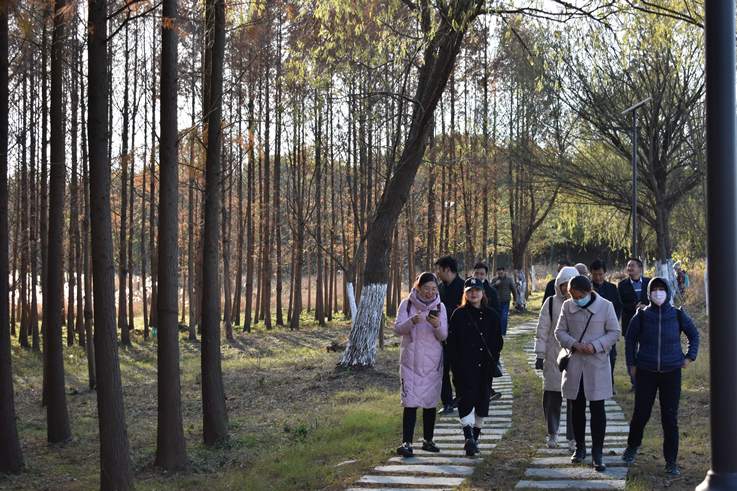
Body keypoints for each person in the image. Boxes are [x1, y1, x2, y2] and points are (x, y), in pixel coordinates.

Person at [621, 278, 699, 476]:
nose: (658, 293)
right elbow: (630, 339)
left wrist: (689, 357)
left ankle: (671, 461)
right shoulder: (642, 315)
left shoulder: (678, 314)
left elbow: (694, 335)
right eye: (654, 289)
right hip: (646, 372)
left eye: (661, 289)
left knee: (670, 418)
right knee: (641, 414)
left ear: (668, 292)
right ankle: (632, 447)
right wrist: (632, 365)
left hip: (671, 374)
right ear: (649, 293)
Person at [555, 275, 620, 472]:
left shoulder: (606, 306)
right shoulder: (567, 306)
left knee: (598, 409)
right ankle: (580, 447)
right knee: (576, 408)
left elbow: (614, 332)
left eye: (580, 296)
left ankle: (597, 453)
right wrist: (574, 344)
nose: (577, 300)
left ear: (590, 290)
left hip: (597, 364)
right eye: (573, 297)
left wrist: (596, 346)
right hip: (575, 364)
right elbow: (559, 332)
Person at [394, 272, 449, 457]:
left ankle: (428, 440)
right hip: (410, 361)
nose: (430, 292)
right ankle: (407, 443)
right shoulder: (407, 304)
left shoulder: (440, 307)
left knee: (430, 401)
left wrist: (436, 325)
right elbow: (398, 328)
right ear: (418, 287)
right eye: (426, 288)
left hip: (432, 361)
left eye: (433, 289)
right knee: (409, 402)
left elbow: (444, 335)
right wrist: (411, 321)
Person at [447, 277, 503, 456]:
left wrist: (493, 360)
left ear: (483, 292)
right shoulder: (458, 315)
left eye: (477, 290)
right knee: (464, 400)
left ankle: (475, 439)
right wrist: (456, 364)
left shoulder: (492, 316)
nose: (473, 294)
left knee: (481, 402)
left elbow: (497, 341)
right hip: (463, 367)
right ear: (465, 294)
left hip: (484, 367)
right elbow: (452, 343)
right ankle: (468, 437)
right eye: (470, 291)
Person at [534, 266, 578, 451]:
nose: (567, 289)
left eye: (570, 285)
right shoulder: (550, 303)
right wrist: (539, 354)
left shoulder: (582, 303)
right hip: (554, 355)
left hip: (576, 355)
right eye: (563, 285)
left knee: (575, 400)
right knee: (552, 397)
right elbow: (542, 330)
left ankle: (574, 437)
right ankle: (552, 432)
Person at [435, 255, 464, 415]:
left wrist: (445, 312)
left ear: (447, 270)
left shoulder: (464, 287)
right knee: (442, 370)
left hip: (460, 336)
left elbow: (466, 310)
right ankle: (446, 402)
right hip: (441, 336)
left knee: (459, 371)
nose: (437, 273)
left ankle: (461, 400)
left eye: (439, 270)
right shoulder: (439, 288)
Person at [590, 260, 624, 395]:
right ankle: (592, 383)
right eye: (595, 275)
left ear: (605, 273)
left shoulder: (612, 288)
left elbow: (619, 306)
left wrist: (613, 321)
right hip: (592, 328)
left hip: (608, 329)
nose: (598, 277)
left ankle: (609, 384)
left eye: (600, 274)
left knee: (612, 356)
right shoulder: (587, 288)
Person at [618, 258, 650, 392]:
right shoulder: (622, 285)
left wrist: (646, 307)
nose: (630, 268)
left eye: (633, 266)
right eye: (628, 266)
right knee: (631, 353)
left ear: (640, 269)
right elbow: (620, 304)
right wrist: (634, 306)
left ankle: (646, 381)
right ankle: (634, 382)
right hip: (630, 323)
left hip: (647, 323)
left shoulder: (649, 283)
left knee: (646, 352)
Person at [472, 262, 503, 401]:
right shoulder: (467, 289)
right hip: (471, 332)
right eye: (477, 273)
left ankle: (487, 390)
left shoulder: (492, 291)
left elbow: (497, 312)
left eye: (482, 274)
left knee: (487, 363)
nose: (479, 276)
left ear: (486, 275)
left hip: (487, 333)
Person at [491, 266, 516, 336]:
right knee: (497, 317)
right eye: (498, 274)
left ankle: (503, 333)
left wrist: (515, 300)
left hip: (506, 301)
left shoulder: (509, 279)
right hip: (497, 301)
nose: (500, 275)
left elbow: (514, 290)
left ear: (504, 272)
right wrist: (496, 284)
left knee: (504, 317)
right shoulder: (495, 279)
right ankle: (497, 332)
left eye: (501, 273)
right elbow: (490, 288)